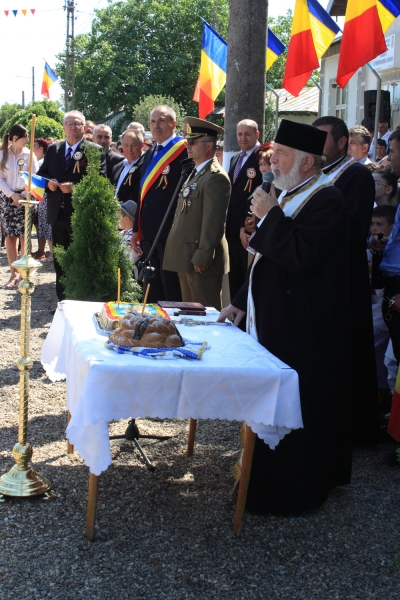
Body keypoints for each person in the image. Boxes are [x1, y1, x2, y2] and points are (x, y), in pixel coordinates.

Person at [218, 119, 352, 515]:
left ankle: (288, 493)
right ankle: (259, 478)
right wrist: (242, 301)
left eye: (282, 154)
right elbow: (265, 259)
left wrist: (272, 214)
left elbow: (301, 254)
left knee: (295, 412)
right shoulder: (291, 193)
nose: (272, 158)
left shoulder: (327, 200)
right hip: (275, 320)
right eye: (274, 152)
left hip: (304, 329)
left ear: (308, 162)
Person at [313, 115, 379, 444]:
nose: (315, 144)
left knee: (351, 348)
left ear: (341, 143)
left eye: (322, 138)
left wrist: (312, 239)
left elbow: (353, 230)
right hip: (322, 276)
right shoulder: (319, 174)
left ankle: (357, 427)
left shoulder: (355, 174)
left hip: (346, 277)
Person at [37, 110, 107, 301]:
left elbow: (100, 181)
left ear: (84, 127)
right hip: (56, 214)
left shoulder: (94, 150)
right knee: (60, 262)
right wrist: (48, 182)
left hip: (80, 215)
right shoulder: (53, 149)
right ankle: (63, 303)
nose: (73, 127)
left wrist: (75, 189)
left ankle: (81, 301)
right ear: (63, 127)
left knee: (80, 261)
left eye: (77, 123)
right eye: (69, 123)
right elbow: (41, 174)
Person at [163, 117, 230, 310]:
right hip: (187, 258)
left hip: (201, 261)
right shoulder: (196, 172)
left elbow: (214, 223)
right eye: (187, 141)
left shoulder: (215, 177)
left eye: (193, 141)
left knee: (205, 315)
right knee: (191, 314)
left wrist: (203, 255)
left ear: (208, 146)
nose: (188, 145)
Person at [131, 105, 188, 302]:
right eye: (153, 122)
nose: (157, 125)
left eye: (162, 120)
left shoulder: (184, 151)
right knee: (151, 289)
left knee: (170, 289)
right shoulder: (149, 153)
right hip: (148, 233)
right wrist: (135, 230)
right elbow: (142, 195)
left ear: (173, 124)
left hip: (170, 232)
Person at [226, 119, 262, 301]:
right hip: (231, 231)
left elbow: (260, 193)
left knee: (246, 284)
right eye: (240, 134)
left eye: (247, 134)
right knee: (234, 280)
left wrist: (246, 225)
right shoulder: (235, 159)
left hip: (247, 230)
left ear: (257, 134)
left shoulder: (261, 157)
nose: (243, 138)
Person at [0, 124, 38, 288]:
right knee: (10, 237)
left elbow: (34, 176)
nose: (28, 140)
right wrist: (11, 194)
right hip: (7, 199)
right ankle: (13, 274)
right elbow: (0, 178)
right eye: (25, 137)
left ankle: (24, 275)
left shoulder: (30, 155)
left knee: (25, 238)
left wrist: (23, 193)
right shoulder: (2, 155)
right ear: (15, 138)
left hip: (25, 198)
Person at [32, 138, 53, 261]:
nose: (32, 148)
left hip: (45, 197)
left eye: (34, 145)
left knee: (48, 227)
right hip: (42, 198)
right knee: (44, 227)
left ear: (41, 148)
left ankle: (49, 252)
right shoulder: (39, 161)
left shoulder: (41, 163)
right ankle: (49, 252)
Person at [111, 129, 144, 204]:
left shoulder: (145, 165)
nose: (129, 149)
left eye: (133, 145)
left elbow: (137, 194)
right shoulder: (117, 167)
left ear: (142, 145)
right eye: (126, 145)